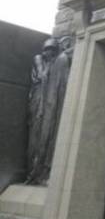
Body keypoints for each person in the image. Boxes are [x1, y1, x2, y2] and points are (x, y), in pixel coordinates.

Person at [26, 38, 70, 185]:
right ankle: (33, 172)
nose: (48, 53)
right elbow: (42, 75)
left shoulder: (59, 60)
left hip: (48, 104)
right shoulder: (39, 59)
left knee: (46, 135)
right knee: (36, 138)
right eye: (47, 50)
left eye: (52, 50)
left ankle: (41, 171)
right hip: (38, 101)